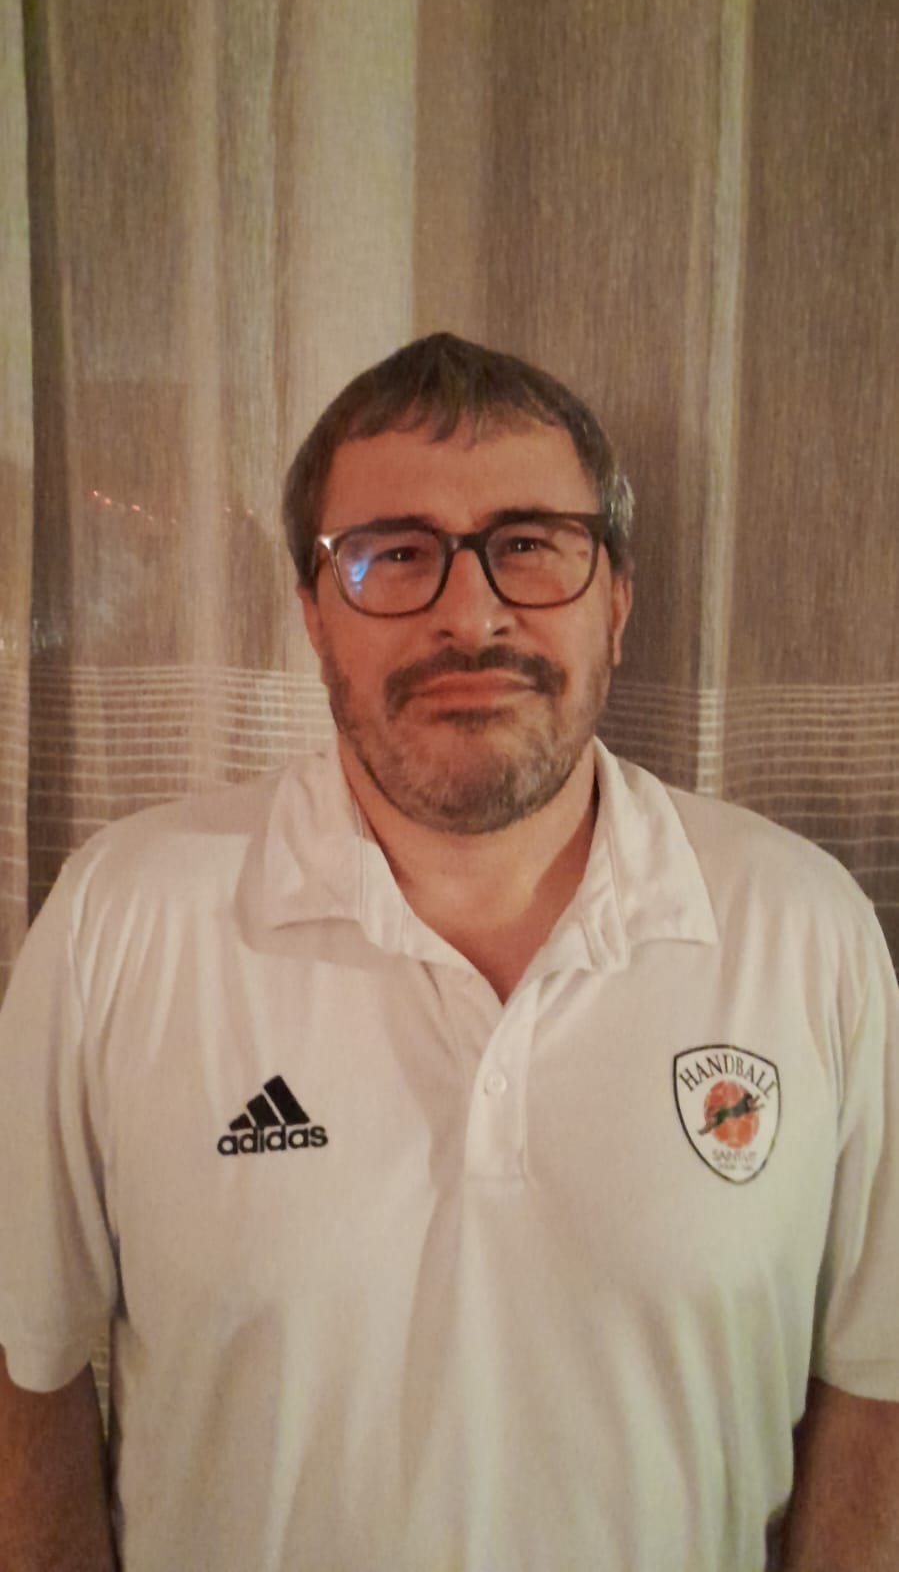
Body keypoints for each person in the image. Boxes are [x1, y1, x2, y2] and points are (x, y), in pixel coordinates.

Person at [1, 332, 898, 1572]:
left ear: (616, 599)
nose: (469, 617)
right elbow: (26, 1380)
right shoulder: (120, 923)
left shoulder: (804, 932)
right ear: (312, 614)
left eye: (528, 546)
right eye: (393, 555)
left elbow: (871, 1394)